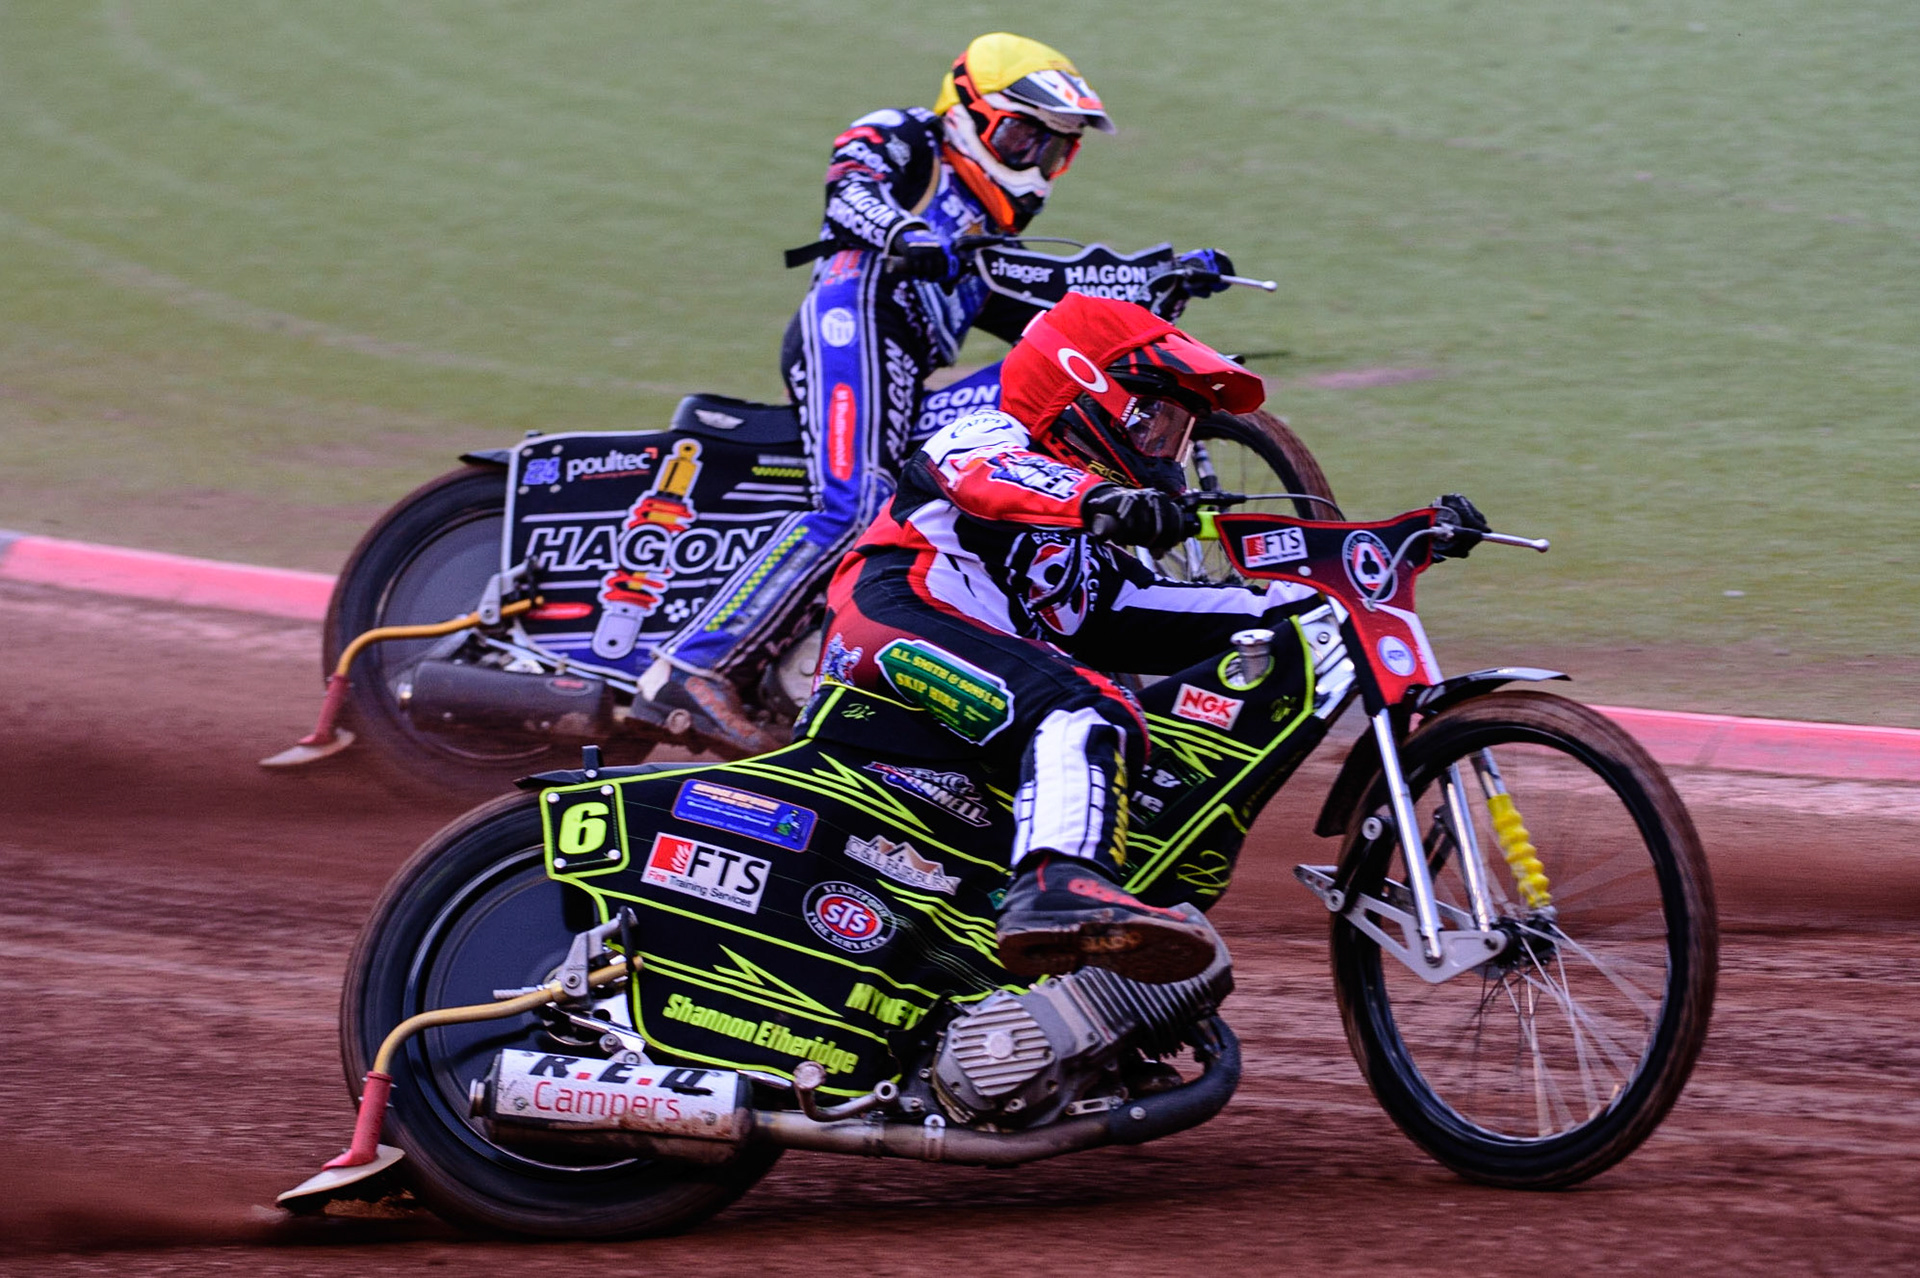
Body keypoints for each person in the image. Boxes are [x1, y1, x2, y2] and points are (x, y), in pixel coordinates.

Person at [637, 32, 1224, 754]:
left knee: (1037, 410)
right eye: (1021, 138)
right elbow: (849, 188)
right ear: (967, 113)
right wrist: (904, 232)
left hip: (909, 371)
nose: (1033, 163)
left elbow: (1058, 323)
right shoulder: (906, 133)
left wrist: (1157, 283)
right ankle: (691, 667)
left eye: (1051, 150)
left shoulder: (986, 243)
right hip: (854, 318)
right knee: (858, 500)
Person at [814, 292, 1322, 985]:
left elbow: (1138, 610)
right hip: (890, 623)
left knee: (1118, 713)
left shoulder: (1087, 545)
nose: (1165, 452)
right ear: (1086, 393)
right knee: (1086, 709)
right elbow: (994, 479)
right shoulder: (986, 433)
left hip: (960, 668)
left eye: (1176, 434)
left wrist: (1331, 593)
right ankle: (1057, 887)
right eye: (1154, 421)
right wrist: (1099, 501)